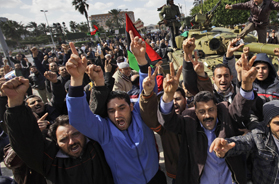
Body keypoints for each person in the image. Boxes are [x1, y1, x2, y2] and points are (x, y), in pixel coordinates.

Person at [66, 34, 166, 184]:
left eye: (122, 108)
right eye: (111, 111)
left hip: (155, 178)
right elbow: (79, 118)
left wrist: (141, 61)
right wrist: (76, 79)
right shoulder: (104, 130)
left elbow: (148, 92)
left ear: (131, 106)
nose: (117, 115)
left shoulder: (140, 114)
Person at [156, 53, 257, 184]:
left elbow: (240, 108)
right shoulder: (188, 120)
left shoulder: (225, 110)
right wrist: (168, 96)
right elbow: (168, 122)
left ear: (217, 107)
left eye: (211, 110)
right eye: (202, 112)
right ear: (195, 112)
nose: (207, 115)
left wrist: (246, 84)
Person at [2, 77, 115, 184]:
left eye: (75, 134)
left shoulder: (96, 146)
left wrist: (99, 82)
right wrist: (15, 102)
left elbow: (98, 113)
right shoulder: (51, 163)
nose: (72, 142)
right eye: (64, 139)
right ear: (56, 143)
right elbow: (25, 141)